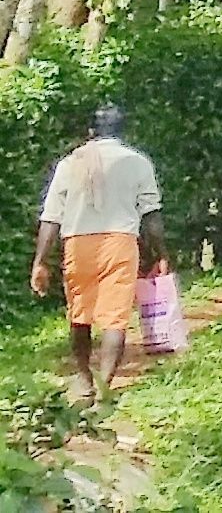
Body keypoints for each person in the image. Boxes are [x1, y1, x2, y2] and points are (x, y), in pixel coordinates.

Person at [29, 104, 167, 401]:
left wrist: (40, 261)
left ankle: (84, 378)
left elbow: (51, 217)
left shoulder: (70, 163)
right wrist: (161, 253)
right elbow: (151, 217)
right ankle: (105, 384)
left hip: (78, 243)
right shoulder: (138, 162)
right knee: (115, 318)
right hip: (120, 243)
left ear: (91, 131)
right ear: (122, 131)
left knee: (80, 313)